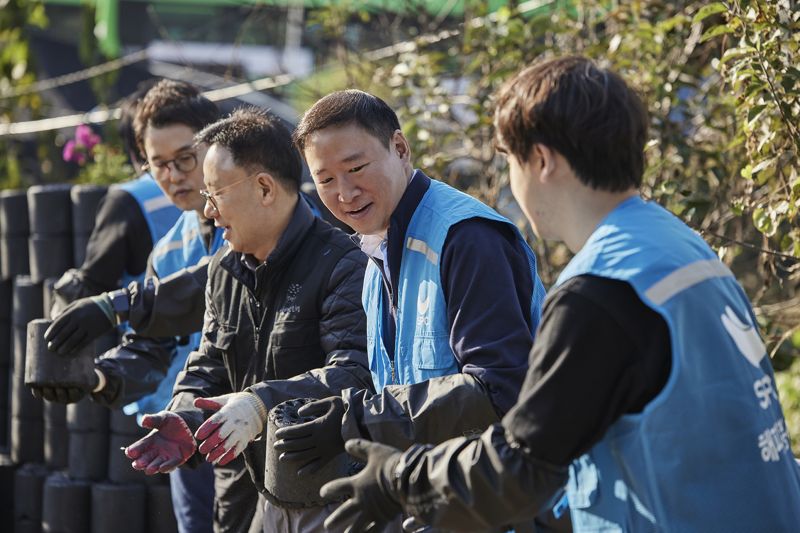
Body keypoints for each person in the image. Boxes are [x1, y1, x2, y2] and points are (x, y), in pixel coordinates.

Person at [317, 56, 800, 532]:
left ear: (541, 160)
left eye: (509, 160)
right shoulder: (681, 247)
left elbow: (524, 462)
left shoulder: (599, 291)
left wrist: (399, 481)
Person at [273, 90, 554, 531]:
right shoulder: (376, 253)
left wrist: (354, 422)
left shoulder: (466, 238)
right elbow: (394, 384)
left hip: (494, 508)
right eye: (325, 180)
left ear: (400, 149)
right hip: (427, 504)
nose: (344, 193)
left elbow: (499, 388)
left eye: (356, 168)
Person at [123, 106, 374, 532]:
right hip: (252, 494)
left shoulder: (343, 265)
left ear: (264, 188)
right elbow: (209, 363)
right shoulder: (225, 267)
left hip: (332, 502)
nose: (208, 212)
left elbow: (354, 373)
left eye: (215, 194)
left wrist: (260, 404)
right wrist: (185, 415)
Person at [33, 79, 254, 533]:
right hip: (191, 434)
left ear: (215, 148)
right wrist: (97, 378)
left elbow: (214, 283)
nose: (173, 176)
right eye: (159, 165)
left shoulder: (257, 225)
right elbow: (152, 348)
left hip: (262, 430)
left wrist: (115, 305)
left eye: (185, 160)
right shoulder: (170, 250)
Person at [50, 80, 181, 315]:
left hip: (154, 343)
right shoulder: (219, 193)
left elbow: (94, 285)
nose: (176, 178)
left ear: (137, 147)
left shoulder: (128, 200)